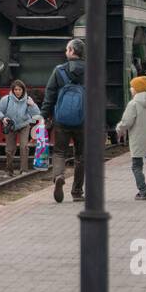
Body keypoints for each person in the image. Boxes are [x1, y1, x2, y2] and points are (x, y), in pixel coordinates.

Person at [42, 37, 86, 203]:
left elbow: (50, 94)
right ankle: (77, 192)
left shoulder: (59, 70)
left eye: (67, 49)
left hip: (62, 119)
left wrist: (44, 114)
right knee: (81, 155)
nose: (65, 52)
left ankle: (59, 175)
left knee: (59, 151)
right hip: (84, 119)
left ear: (72, 51)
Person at [116, 75, 146, 200]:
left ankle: (142, 191)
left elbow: (126, 122)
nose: (131, 89)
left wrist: (119, 129)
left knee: (136, 165)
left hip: (138, 138)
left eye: (132, 87)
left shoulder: (133, 104)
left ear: (136, 89)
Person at [0, 79, 42, 175]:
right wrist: (3, 118)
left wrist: (32, 105)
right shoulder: (6, 99)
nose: (17, 92)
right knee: (9, 149)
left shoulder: (28, 99)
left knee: (24, 147)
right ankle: (9, 170)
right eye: (15, 90)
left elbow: (37, 114)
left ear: (23, 90)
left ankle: (24, 170)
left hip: (24, 125)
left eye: (19, 90)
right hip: (10, 126)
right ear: (13, 90)